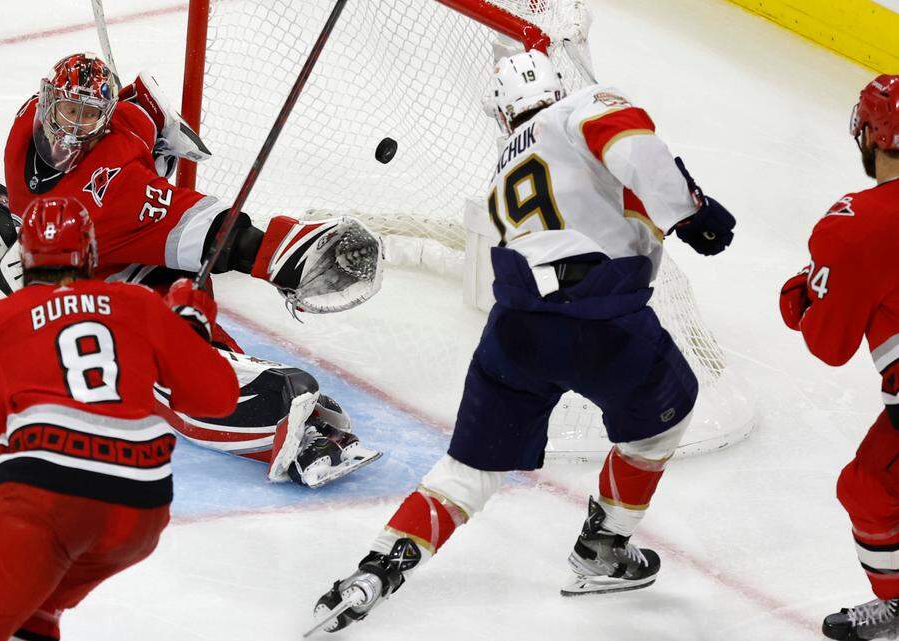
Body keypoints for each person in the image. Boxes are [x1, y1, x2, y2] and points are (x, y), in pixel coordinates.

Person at [309, 50, 737, 633]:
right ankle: (604, 548)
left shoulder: (504, 167)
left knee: (467, 470)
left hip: (513, 332)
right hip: (599, 322)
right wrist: (691, 210)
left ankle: (376, 569)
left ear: (502, 111)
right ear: (557, 87)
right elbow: (632, 145)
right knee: (667, 413)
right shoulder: (578, 108)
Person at [0, 52, 383, 487]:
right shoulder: (28, 122)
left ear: (105, 121)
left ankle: (273, 413)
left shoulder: (117, 188)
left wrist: (283, 256)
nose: (73, 126)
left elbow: (210, 231)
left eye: (89, 116)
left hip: (123, 257)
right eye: (68, 109)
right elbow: (141, 108)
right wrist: (150, 117)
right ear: (46, 100)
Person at [0, 197, 239, 641]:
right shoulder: (138, 302)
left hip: (49, 494)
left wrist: (31, 498)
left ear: (23, 260)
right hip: (139, 509)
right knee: (33, 611)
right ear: (92, 254)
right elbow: (216, 397)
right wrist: (192, 326)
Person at [779, 74, 899, 641]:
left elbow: (829, 346)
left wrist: (807, 295)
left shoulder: (856, 224)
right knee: (872, 483)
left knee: (869, 493)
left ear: (871, 139)